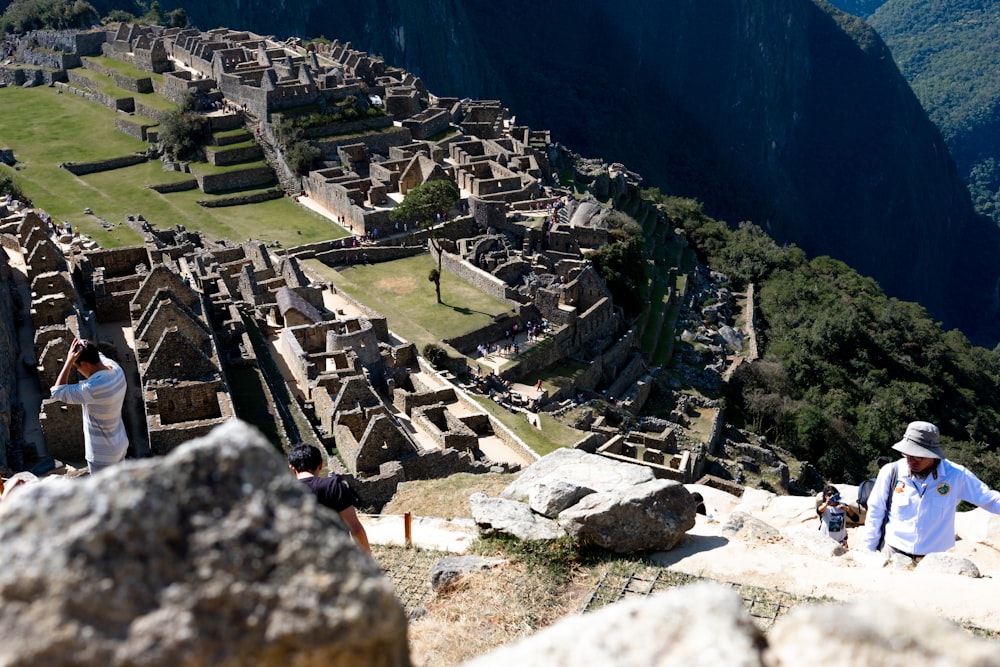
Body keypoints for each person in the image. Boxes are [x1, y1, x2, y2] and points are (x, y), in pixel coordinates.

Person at [859, 421, 1000, 558]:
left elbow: (990, 500)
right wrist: (869, 550)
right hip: (893, 551)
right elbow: (876, 511)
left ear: (932, 454)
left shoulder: (956, 475)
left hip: (935, 559)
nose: (910, 460)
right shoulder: (891, 472)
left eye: (917, 457)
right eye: (907, 454)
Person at [50, 338, 128, 474]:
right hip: (120, 444)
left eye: (78, 368)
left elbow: (57, 392)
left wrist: (69, 360)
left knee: (104, 493)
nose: (80, 372)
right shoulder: (117, 370)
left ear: (85, 364)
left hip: (102, 455)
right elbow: (99, 356)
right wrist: (86, 346)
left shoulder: (93, 388)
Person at [288, 443, 371, 554]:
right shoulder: (333, 486)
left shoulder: (280, 493)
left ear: (292, 469)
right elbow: (356, 529)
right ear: (321, 465)